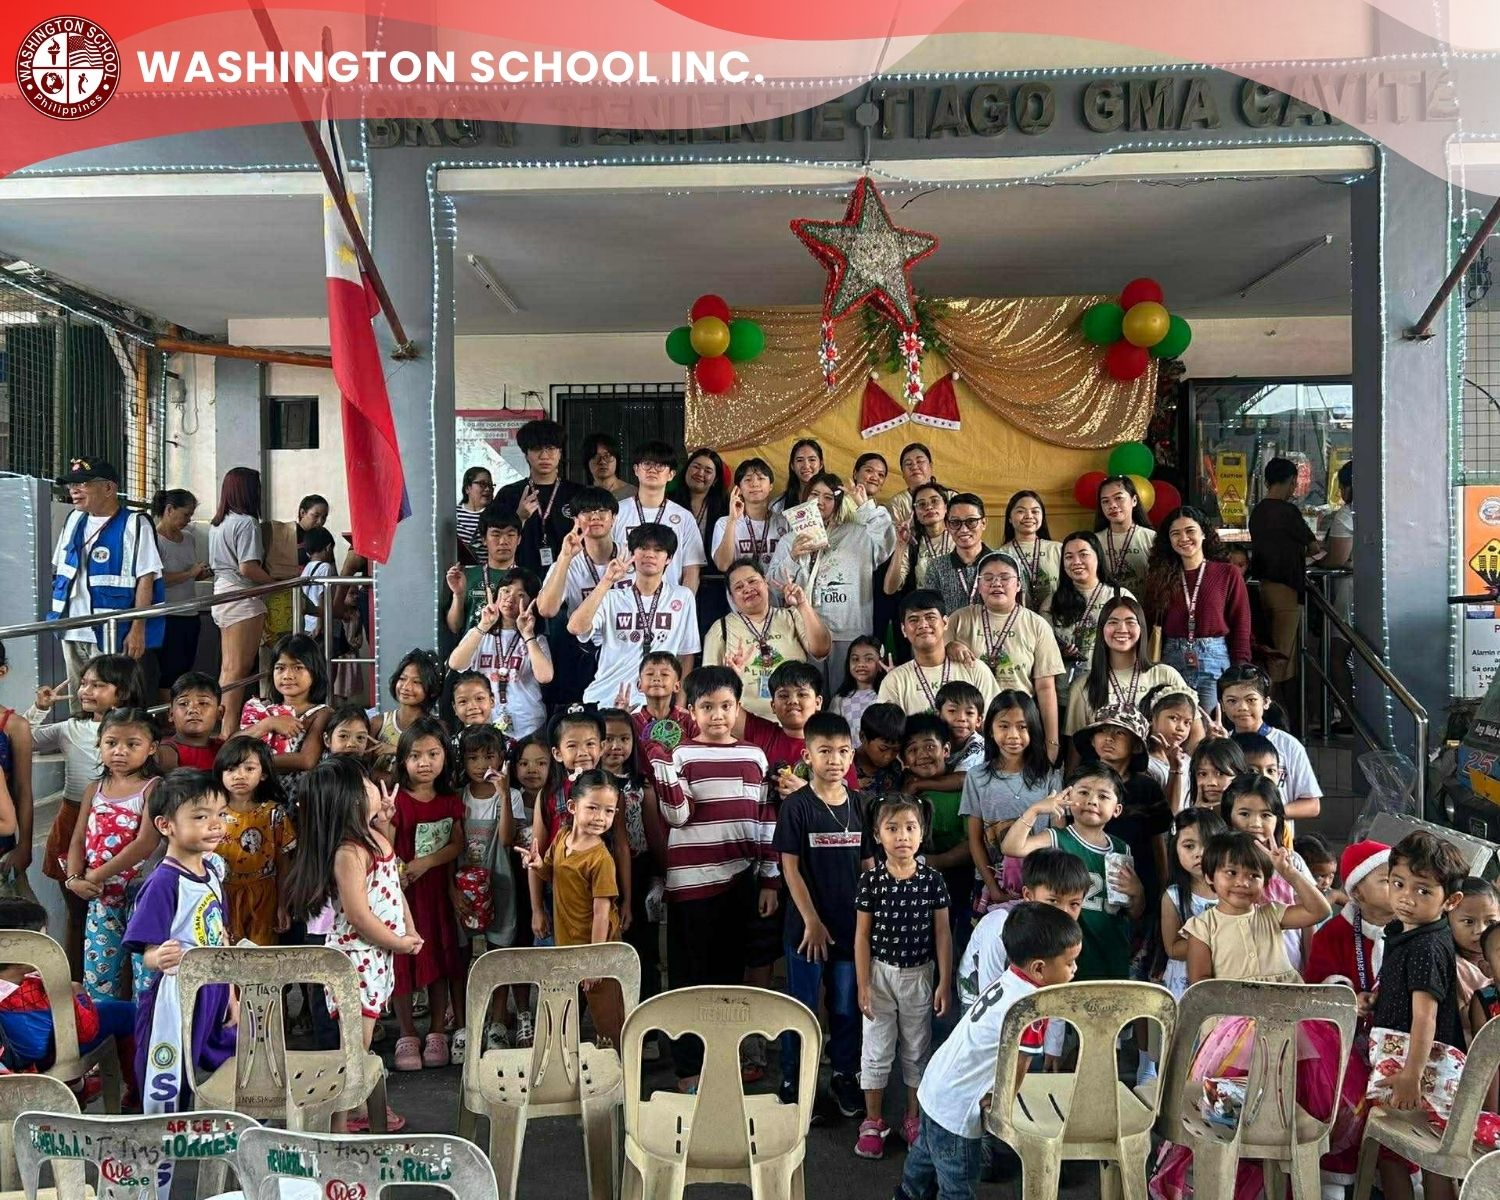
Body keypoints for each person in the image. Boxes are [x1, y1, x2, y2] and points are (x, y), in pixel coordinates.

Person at [1149, 831, 1334, 1200]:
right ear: (1210, 876)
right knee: (1223, 1120)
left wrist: (1291, 873)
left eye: (1253, 875)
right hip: (1230, 1038)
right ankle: (1220, 1179)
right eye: (1231, 873)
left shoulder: (1272, 914)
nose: (1242, 883)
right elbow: (1203, 989)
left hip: (1285, 1030)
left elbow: (1321, 911)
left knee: (1285, 1104)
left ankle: (1278, 1174)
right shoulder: (1202, 927)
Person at [646, 666, 778, 1089]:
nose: (717, 715)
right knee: (688, 979)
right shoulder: (680, 756)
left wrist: (770, 879)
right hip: (691, 886)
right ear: (691, 711)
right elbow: (677, 815)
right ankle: (689, 1071)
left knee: (729, 977)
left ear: (738, 708)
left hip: (741, 881)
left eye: (725, 706)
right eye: (707, 707)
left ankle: (723, 1062)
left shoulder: (754, 756)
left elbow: (765, 820)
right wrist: (661, 764)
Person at [895, 903, 1080, 1200]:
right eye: (1069, 963)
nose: (1075, 970)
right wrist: (1002, 1101)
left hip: (935, 1087)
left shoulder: (1010, 978)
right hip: (958, 1107)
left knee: (923, 1162)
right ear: (1039, 969)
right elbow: (1020, 1063)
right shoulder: (1031, 1007)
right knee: (958, 1185)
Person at [283, 756, 420, 1131]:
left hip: (374, 955)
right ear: (348, 801)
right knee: (353, 1048)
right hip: (356, 960)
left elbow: (390, 887)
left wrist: (407, 930)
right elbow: (359, 916)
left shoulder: (371, 838)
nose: (376, 789)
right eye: (367, 786)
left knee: (361, 1043)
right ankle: (340, 1121)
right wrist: (399, 942)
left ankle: (356, 1108)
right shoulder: (349, 852)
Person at [123, 770, 237, 1124]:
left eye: (221, 814)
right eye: (200, 816)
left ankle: (219, 1132)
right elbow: (147, 952)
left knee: (223, 1064)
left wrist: (232, 994)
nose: (215, 825)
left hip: (215, 990)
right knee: (170, 1073)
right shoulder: (163, 882)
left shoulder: (212, 873)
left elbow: (221, 936)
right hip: (178, 998)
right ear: (165, 825)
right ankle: (165, 1140)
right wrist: (159, 956)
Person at [774, 712, 871, 1115]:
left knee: (847, 1007)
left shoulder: (860, 805)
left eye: (843, 751)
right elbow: (790, 868)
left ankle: (844, 1075)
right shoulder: (797, 807)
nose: (835, 760)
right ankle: (795, 1081)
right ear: (807, 756)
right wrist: (811, 921)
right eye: (825, 751)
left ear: (852, 756)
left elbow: (868, 867)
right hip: (806, 931)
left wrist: (870, 919)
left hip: (851, 930)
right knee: (803, 1007)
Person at [26, 654, 143, 977]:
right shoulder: (70, 727)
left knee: (126, 918)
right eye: (84, 683)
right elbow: (25, 739)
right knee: (78, 913)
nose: (85, 691)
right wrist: (39, 708)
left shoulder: (139, 730)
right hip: (73, 820)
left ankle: (120, 991)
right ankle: (75, 982)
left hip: (122, 825)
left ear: (122, 692)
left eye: (98, 685)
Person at [855, 794, 952, 1158]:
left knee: (916, 1048)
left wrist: (944, 981)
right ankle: (873, 1120)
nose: (902, 836)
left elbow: (943, 933)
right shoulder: (871, 881)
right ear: (876, 834)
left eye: (910, 828)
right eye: (892, 828)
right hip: (879, 974)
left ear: (922, 832)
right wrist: (863, 983)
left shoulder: (932, 880)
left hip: (919, 975)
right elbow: (862, 936)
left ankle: (913, 1117)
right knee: (876, 1048)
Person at [1000, 764, 1145, 984]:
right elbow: (1011, 847)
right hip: (1065, 955)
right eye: (1084, 792)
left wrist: (1138, 892)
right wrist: (1036, 810)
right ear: (1068, 797)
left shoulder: (1121, 849)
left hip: (1112, 951)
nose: (1092, 801)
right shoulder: (1057, 838)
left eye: (1103, 796)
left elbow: (1133, 912)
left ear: (1117, 810)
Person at [520, 769, 626, 1048]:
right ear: (572, 807)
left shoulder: (601, 859)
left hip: (598, 949)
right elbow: (551, 872)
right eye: (593, 808)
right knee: (562, 1017)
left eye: (609, 811)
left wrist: (594, 962)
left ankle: (618, 1069)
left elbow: (601, 914)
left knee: (609, 1024)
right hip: (567, 945)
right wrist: (537, 864)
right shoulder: (562, 837)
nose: (600, 817)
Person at [48, 458, 164, 709]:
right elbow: (60, 570)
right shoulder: (73, 520)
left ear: (108, 488)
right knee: (81, 703)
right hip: (72, 626)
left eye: (82, 484)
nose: (74, 490)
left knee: (112, 701)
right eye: (71, 485)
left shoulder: (135, 523)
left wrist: (138, 628)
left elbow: (147, 578)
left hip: (112, 629)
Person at [65, 706, 160, 1001]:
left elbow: (146, 842)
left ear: (152, 748)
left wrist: (96, 874)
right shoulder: (94, 789)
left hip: (142, 897)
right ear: (100, 744)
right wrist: (74, 879)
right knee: (99, 977)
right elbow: (78, 839)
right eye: (111, 743)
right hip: (101, 897)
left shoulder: (153, 788)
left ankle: (144, 1029)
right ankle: (103, 1029)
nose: (120, 751)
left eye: (132, 744)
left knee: (146, 977)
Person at [387, 717, 465, 1072]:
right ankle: (406, 1033)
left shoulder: (449, 801)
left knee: (438, 959)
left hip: (436, 896)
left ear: (445, 757)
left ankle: (436, 1031)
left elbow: (457, 844)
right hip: (402, 896)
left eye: (433, 754)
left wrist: (426, 862)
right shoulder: (397, 801)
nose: (425, 762)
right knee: (402, 961)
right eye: (416, 755)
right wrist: (401, 872)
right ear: (403, 760)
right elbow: (385, 846)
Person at [769, 472, 895, 688]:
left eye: (828, 497)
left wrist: (865, 507)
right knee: (808, 695)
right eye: (814, 494)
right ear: (804, 498)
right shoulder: (789, 541)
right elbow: (772, 587)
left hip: (848, 632)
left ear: (837, 504)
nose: (820, 502)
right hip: (803, 632)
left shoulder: (858, 535)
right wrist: (792, 557)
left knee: (846, 697)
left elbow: (887, 541)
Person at [0, 896, 134, 1077]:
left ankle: (79, 1086)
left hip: (14, 1061)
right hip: (48, 1057)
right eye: (45, 937)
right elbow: (86, 1031)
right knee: (128, 1013)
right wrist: (78, 993)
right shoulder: (41, 987)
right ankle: (137, 1089)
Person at [945, 551, 1063, 756]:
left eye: (1005, 577)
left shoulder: (1037, 625)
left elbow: (1045, 688)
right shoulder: (959, 619)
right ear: (978, 585)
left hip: (1018, 724)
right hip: (970, 725)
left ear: (1018, 585)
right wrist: (949, 645)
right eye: (988, 578)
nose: (996, 583)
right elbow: (933, 658)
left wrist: (1052, 742)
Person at [570, 523, 700, 708]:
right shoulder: (611, 597)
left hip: (655, 703)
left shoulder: (682, 597)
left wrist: (679, 705)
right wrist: (606, 581)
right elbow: (575, 627)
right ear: (632, 554)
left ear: (669, 558)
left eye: (658, 550)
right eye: (643, 548)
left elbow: (686, 654)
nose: (650, 554)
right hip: (606, 697)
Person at [1145, 505, 1253, 711]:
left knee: (1211, 724)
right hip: (1171, 661)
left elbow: (1241, 624)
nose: (1183, 538)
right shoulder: (1160, 576)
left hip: (1214, 660)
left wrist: (1240, 669)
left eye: (1190, 531)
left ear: (1204, 533)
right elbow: (1150, 622)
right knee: (1175, 722)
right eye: (1175, 533)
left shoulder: (1227, 573)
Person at [961, 691, 1060, 912]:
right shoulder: (976, 777)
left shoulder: (1049, 776)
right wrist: (992, 887)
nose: (1013, 735)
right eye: (1004, 726)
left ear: (1033, 729)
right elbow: (975, 839)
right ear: (990, 729)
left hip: (1040, 882)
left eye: (1022, 727)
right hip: (992, 882)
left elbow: (1057, 836)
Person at [956, 848, 1087, 1008]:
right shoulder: (999, 927)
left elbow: (1054, 989)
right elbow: (989, 996)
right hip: (979, 1001)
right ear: (1028, 896)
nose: (1063, 912)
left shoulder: (1065, 934)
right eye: (1053, 901)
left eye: (1074, 904)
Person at [704, 560, 830, 719]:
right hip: (744, 722)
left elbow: (821, 650)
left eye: (752, 581)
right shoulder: (721, 628)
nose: (747, 589)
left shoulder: (791, 616)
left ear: (766, 582)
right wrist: (729, 676)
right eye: (739, 587)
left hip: (795, 719)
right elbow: (707, 685)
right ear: (732, 597)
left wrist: (802, 604)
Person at [447, 569, 552, 738]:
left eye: (520, 595)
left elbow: (545, 677)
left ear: (531, 601)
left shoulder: (536, 639)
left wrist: (527, 634)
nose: (510, 598)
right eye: (505, 591)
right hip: (485, 726)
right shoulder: (480, 633)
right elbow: (455, 664)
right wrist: (484, 625)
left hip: (528, 726)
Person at [1065, 595, 1191, 736]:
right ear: (1102, 629)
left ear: (1141, 628)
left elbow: (1195, 733)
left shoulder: (1166, 675)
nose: (1122, 629)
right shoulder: (1082, 686)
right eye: (1113, 622)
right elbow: (1075, 747)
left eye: (1130, 622)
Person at [206, 467, 272, 736]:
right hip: (242, 596)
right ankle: (228, 731)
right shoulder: (246, 523)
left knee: (229, 667)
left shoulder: (218, 523)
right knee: (238, 670)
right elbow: (248, 567)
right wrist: (274, 581)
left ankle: (225, 728)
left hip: (222, 593)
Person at [1249, 456, 1317, 704]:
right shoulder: (1288, 512)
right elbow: (1314, 546)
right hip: (1287, 591)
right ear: (1291, 481)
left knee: (1268, 651)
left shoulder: (1258, 512)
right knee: (1279, 658)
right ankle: (1269, 709)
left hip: (1264, 588)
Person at [214, 735, 294, 945]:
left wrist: (283, 905)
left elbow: (283, 863)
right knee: (226, 952)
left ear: (264, 773)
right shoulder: (211, 814)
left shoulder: (274, 814)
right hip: (221, 896)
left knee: (261, 956)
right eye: (231, 769)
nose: (239, 775)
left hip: (264, 897)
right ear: (220, 773)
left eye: (249, 769)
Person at [1217, 664, 1322, 824]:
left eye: (1251, 700)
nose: (1242, 707)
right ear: (1222, 705)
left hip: (1276, 836)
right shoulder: (1222, 745)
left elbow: (1312, 805)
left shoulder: (1288, 745)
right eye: (1232, 701)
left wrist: (1268, 813)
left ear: (1266, 702)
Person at [878, 591, 999, 718]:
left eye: (930, 617)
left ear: (945, 623)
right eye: (914, 620)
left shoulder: (974, 669)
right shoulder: (894, 681)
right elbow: (887, 728)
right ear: (903, 630)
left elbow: (994, 720)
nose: (923, 625)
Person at [239, 633, 333, 792]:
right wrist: (268, 724)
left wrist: (251, 763)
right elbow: (231, 748)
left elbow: (307, 760)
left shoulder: (321, 713)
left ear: (315, 671)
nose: (287, 676)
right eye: (280, 668)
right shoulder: (263, 710)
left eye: (298, 668)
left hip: (299, 795)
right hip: (259, 793)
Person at [1049, 531, 1132, 706]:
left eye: (1083, 554)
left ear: (1098, 557)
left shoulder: (1119, 596)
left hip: (1110, 690)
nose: (1076, 562)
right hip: (1065, 692)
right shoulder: (1052, 602)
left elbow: (1134, 643)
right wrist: (1059, 652)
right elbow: (1043, 649)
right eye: (1069, 557)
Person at [492, 419, 583, 577]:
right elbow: (493, 541)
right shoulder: (509, 494)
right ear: (526, 454)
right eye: (536, 449)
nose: (544, 456)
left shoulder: (577, 493)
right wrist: (519, 518)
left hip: (571, 577)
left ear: (560, 453)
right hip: (521, 580)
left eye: (551, 448)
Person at [613, 442, 707, 591]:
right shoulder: (616, 512)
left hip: (667, 602)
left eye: (660, 465)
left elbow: (691, 571)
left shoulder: (684, 517)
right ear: (636, 470)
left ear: (671, 474)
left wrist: (684, 603)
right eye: (647, 464)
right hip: (623, 600)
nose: (652, 470)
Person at [1159, 808, 1227, 999]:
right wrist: (1219, 939)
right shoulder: (1173, 896)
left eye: (1208, 844)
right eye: (1189, 846)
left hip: (1227, 978)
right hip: (1185, 985)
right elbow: (1173, 949)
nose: (1199, 853)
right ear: (1175, 849)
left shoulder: (1234, 890)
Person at [151, 487, 208, 701]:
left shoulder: (189, 538)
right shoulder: (155, 540)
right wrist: (189, 573)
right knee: (169, 673)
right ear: (169, 509)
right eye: (185, 514)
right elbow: (156, 580)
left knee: (185, 670)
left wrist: (198, 574)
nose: (188, 520)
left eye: (190, 515)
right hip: (168, 615)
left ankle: (180, 711)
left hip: (190, 613)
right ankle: (167, 714)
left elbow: (189, 575)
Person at [670, 447, 731, 633]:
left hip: (714, 588)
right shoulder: (669, 502)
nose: (700, 473)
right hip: (674, 582)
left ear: (716, 480)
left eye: (708, 470)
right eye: (696, 467)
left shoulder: (726, 507)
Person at [445, 506, 522, 635]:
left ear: (519, 539)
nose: (503, 541)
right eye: (496, 534)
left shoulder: (527, 579)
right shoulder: (466, 576)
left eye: (510, 534)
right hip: (472, 647)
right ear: (484, 539)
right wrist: (458, 595)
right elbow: (455, 627)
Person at [370, 648, 443, 775]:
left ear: (432, 689)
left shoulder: (437, 728)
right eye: (402, 679)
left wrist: (396, 750)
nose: (406, 686)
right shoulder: (378, 723)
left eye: (417, 682)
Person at [712, 459, 787, 578]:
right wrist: (732, 520)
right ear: (739, 489)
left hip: (777, 588)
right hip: (742, 587)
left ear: (771, 486)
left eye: (761, 478)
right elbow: (723, 565)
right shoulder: (724, 523)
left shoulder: (784, 522)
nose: (755, 484)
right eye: (748, 480)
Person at [921, 493, 993, 616]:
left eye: (971, 521)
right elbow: (931, 613)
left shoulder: (1003, 564)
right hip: (951, 629)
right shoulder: (936, 567)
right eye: (955, 522)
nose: (964, 529)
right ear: (947, 525)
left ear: (984, 523)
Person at [0, 643, 34, 890]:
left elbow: (23, 790)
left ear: (2, 672)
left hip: (3, 843)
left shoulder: (15, 726)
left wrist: (25, 846)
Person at [1323, 460, 1355, 716]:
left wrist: (1315, 562)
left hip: (1350, 593)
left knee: (1337, 655)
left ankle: (1347, 716)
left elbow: (1337, 559)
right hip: (1378, 593)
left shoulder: (1347, 514)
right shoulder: (1385, 509)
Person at [883, 482, 952, 597]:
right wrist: (900, 546)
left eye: (934, 501)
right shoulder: (913, 543)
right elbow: (889, 589)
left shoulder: (959, 536)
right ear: (915, 513)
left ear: (945, 507)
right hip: (925, 605)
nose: (929, 507)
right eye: (921, 504)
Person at [998, 490, 1061, 613]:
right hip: (1018, 621)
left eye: (1035, 511)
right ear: (1009, 518)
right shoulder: (1000, 555)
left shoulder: (1059, 549)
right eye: (1021, 511)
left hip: (1055, 620)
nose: (1029, 516)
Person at [1094, 474, 1157, 596]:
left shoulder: (1151, 538)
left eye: (1118, 498)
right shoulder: (1095, 541)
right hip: (1108, 606)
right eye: (1105, 501)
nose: (1112, 505)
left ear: (1134, 500)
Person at [156, 672, 224, 773]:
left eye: (203, 703)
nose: (193, 710)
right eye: (184, 703)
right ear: (171, 714)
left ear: (220, 713)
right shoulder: (165, 752)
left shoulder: (225, 750)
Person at [1142, 684, 1196, 811]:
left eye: (1187, 722)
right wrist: (1174, 768)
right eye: (1174, 718)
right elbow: (1168, 813)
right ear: (1152, 718)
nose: (1181, 728)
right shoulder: (1145, 763)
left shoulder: (1187, 760)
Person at [832, 636, 886, 745]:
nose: (861, 664)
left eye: (869, 659)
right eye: (855, 659)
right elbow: (832, 733)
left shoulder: (886, 695)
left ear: (881, 663)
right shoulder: (840, 699)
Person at [885, 442, 950, 531]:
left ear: (931, 466)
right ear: (902, 473)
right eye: (908, 464)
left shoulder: (950, 496)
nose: (915, 467)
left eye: (920, 461)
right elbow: (894, 535)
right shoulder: (896, 504)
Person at [854, 703, 905, 795]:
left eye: (896, 750)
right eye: (883, 749)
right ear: (863, 737)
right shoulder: (844, 766)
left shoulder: (895, 769)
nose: (888, 756)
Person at [1187, 736, 1247, 810]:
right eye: (1203, 774)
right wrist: (1197, 813)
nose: (1211, 783)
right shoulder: (1186, 815)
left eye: (1220, 773)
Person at [298, 528, 338, 640]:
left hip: (308, 622)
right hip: (319, 624)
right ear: (328, 547)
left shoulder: (307, 567)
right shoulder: (325, 567)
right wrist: (320, 625)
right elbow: (322, 595)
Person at [454, 466, 494, 560]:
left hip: (485, 568)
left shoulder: (495, 515)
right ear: (467, 488)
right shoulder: (453, 514)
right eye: (482, 484)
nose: (488, 489)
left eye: (490, 485)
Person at [581, 432, 635, 501]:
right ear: (587, 462)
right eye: (595, 457)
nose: (602, 462)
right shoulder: (581, 496)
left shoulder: (633, 494)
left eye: (607, 456)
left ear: (617, 460)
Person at [776, 438, 825, 513]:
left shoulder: (835, 498)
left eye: (812, 459)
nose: (806, 466)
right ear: (792, 466)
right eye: (800, 460)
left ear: (821, 464)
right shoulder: (779, 505)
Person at [295, 494, 330, 563]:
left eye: (324, 517)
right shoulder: (289, 534)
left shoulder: (323, 536)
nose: (320, 521)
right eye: (316, 516)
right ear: (302, 513)